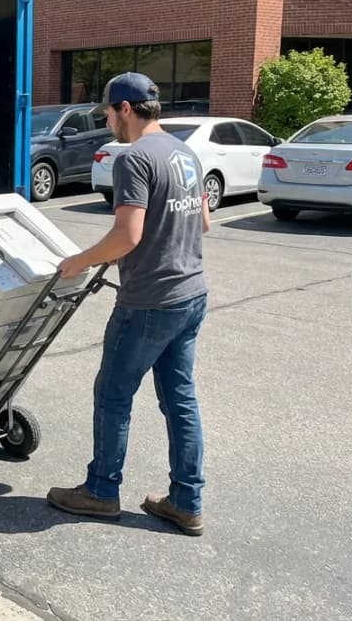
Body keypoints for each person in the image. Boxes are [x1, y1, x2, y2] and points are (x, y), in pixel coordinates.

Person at [47, 71, 210, 536]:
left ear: (124, 109)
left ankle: (100, 490)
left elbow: (127, 235)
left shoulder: (134, 158)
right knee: (180, 401)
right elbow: (203, 223)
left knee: (113, 395)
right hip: (192, 293)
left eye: (108, 112)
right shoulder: (185, 153)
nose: (107, 120)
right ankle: (186, 501)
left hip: (149, 301)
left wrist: (79, 261)